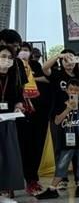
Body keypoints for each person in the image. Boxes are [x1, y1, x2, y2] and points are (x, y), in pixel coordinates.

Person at [36, 79, 79, 200]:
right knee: (62, 164)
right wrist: (68, 108)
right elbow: (57, 121)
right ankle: (53, 188)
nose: (74, 92)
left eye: (77, 90)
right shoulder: (61, 104)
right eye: (71, 89)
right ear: (66, 90)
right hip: (67, 142)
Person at [16, 42, 50, 195]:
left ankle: (32, 179)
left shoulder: (35, 65)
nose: (23, 53)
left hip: (37, 113)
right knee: (21, 148)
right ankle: (13, 183)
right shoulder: (14, 66)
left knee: (36, 147)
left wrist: (34, 79)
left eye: (26, 50)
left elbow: (48, 79)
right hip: (19, 113)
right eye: (21, 50)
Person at [0, 44, 25, 203]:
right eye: (3, 56)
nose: (6, 61)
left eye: (10, 58)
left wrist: (18, 105)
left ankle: (5, 191)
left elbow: (18, 96)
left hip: (8, 120)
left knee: (9, 155)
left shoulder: (13, 75)